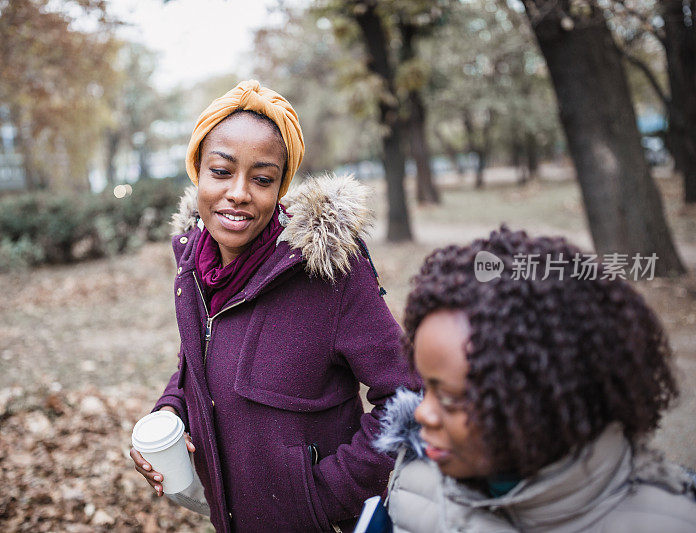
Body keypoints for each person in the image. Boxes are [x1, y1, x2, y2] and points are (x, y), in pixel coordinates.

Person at [129, 80, 419, 532]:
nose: (239, 192)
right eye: (221, 171)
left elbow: (406, 397)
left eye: (262, 179)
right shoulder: (194, 267)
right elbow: (197, 363)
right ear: (197, 173)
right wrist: (171, 410)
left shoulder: (330, 270)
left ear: (281, 187)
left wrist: (321, 497)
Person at [376, 227, 696, 532]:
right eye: (427, 386)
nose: (422, 413)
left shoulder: (672, 522)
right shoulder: (413, 493)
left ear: (542, 400)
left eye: (450, 399)